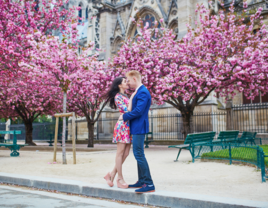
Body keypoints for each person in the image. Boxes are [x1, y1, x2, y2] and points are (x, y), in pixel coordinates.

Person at [119, 70, 155, 194]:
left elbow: (138, 111)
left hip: (139, 127)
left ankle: (149, 183)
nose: (127, 83)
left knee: (139, 154)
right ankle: (141, 181)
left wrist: (124, 116)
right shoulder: (139, 92)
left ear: (134, 79)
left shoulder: (143, 92)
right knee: (138, 154)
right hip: (137, 127)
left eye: (128, 80)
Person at [104, 77, 136, 189]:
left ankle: (111, 174)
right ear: (119, 85)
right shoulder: (118, 96)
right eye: (124, 82)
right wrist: (132, 98)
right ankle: (119, 178)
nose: (127, 83)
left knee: (126, 153)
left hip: (128, 126)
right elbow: (126, 111)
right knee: (120, 152)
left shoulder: (125, 96)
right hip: (122, 126)